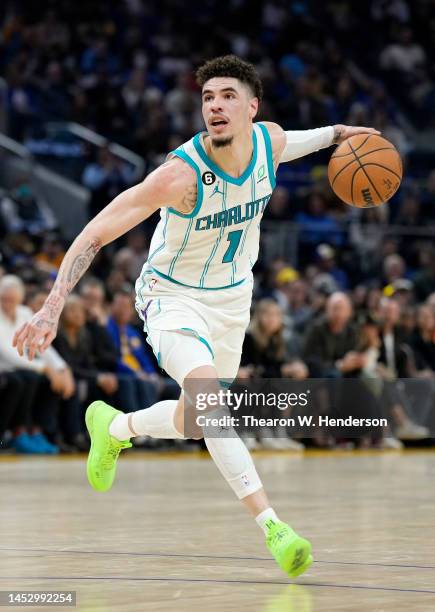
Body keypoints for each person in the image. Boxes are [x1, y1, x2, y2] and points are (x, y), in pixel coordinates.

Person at [13, 55, 379, 579]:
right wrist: (52, 306)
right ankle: (275, 529)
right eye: (208, 97)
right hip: (172, 297)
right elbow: (96, 231)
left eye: (228, 96)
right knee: (212, 408)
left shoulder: (268, 143)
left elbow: (311, 139)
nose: (215, 106)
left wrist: (347, 133)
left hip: (232, 303)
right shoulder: (179, 177)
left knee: (191, 422)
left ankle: (114, 426)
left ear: (252, 108)